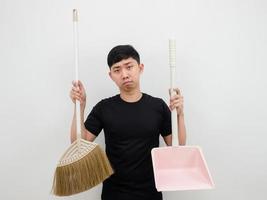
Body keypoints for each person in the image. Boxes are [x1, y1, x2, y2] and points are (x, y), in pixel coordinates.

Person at [69, 45, 186, 200]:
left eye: (129, 67)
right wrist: (80, 106)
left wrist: (180, 114)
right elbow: (78, 144)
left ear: (140, 68)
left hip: (150, 192)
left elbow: (178, 147)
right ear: (111, 75)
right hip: (114, 193)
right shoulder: (104, 108)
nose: (124, 74)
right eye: (117, 70)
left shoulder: (157, 106)